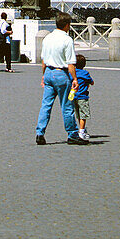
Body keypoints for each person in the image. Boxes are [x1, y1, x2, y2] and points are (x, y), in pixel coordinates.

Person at [35, 13, 86, 145]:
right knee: (67, 106)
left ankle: (40, 132)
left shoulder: (47, 38)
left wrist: (43, 76)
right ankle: (72, 134)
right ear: (67, 25)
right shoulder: (67, 39)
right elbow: (70, 64)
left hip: (48, 73)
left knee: (46, 105)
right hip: (61, 75)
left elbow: (43, 61)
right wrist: (75, 79)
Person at [72, 52, 94, 141]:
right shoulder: (85, 73)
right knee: (83, 115)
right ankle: (82, 131)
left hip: (73, 97)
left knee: (76, 114)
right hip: (83, 97)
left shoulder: (72, 73)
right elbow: (91, 82)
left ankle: (78, 129)